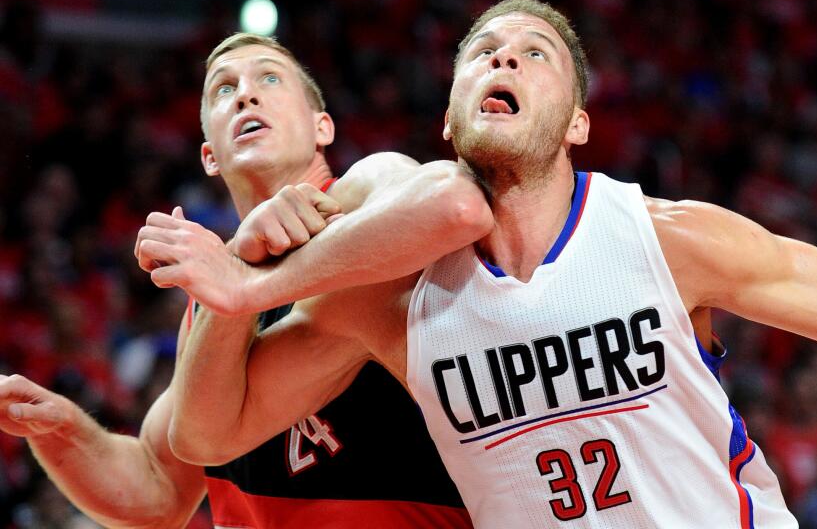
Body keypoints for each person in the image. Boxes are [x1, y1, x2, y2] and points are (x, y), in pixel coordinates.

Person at [140, 0, 817, 528]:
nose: (503, 59)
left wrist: (255, 277)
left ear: (577, 123)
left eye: (535, 54)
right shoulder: (394, 300)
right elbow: (206, 433)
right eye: (482, 52)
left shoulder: (667, 240)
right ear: (448, 121)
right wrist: (234, 287)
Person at [0, 32, 496, 528]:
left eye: (270, 78)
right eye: (223, 89)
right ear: (209, 156)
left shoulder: (364, 193)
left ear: (321, 127)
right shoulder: (213, 297)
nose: (245, 94)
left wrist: (246, 283)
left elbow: (449, 205)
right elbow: (160, 491)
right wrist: (59, 428)